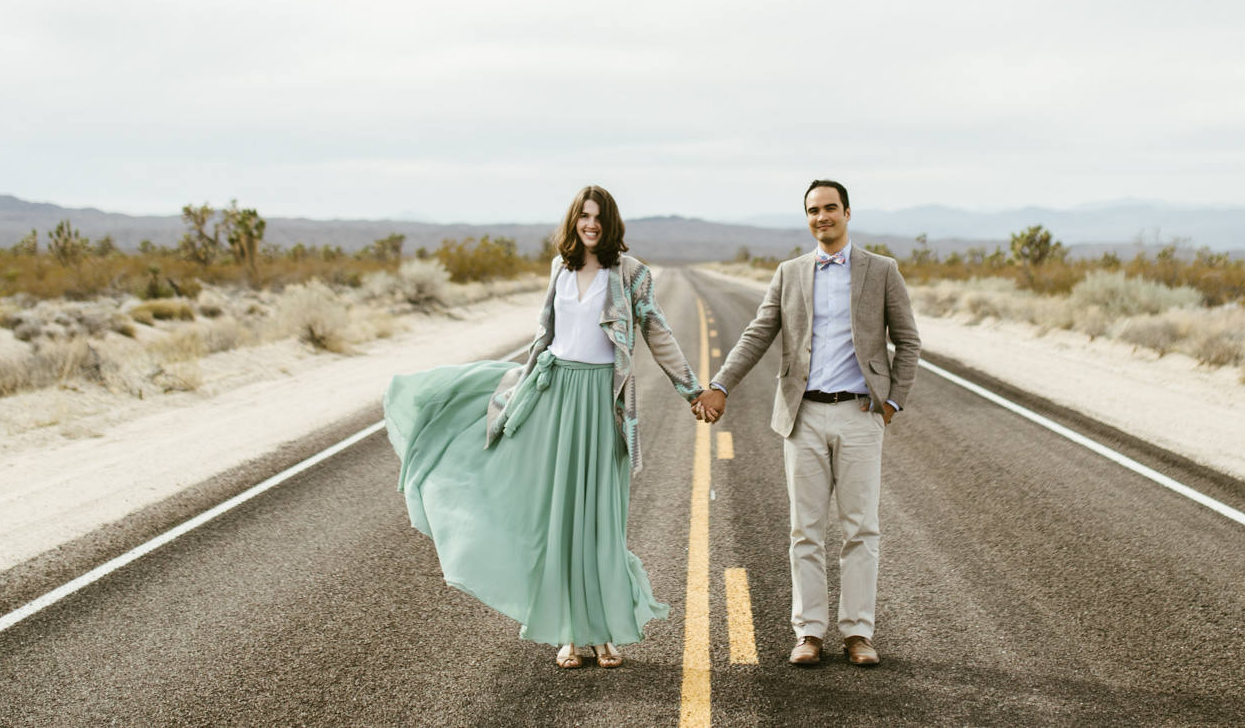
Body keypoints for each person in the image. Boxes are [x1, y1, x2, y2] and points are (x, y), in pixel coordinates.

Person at [385, 185, 706, 669]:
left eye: (598, 216)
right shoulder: (561, 267)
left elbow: (657, 331)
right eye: (583, 215)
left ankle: (603, 633)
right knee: (558, 517)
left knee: (599, 519)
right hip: (555, 395)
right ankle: (571, 635)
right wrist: (517, 392)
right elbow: (545, 336)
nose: (590, 224)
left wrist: (692, 390)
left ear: (610, 221)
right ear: (574, 220)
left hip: (602, 403)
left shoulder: (631, 273)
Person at [693, 179, 920, 667]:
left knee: (861, 528)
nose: (823, 217)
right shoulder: (790, 272)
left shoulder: (881, 271)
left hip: (861, 414)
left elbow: (908, 340)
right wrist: (721, 384)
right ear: (808, 218)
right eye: (814, 210)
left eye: (831, 208)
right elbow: (757, 334)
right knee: (806, 530)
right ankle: (809, 633)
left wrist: (894, 403)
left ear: (848, 213)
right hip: (804, 416)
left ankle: (858, 634)